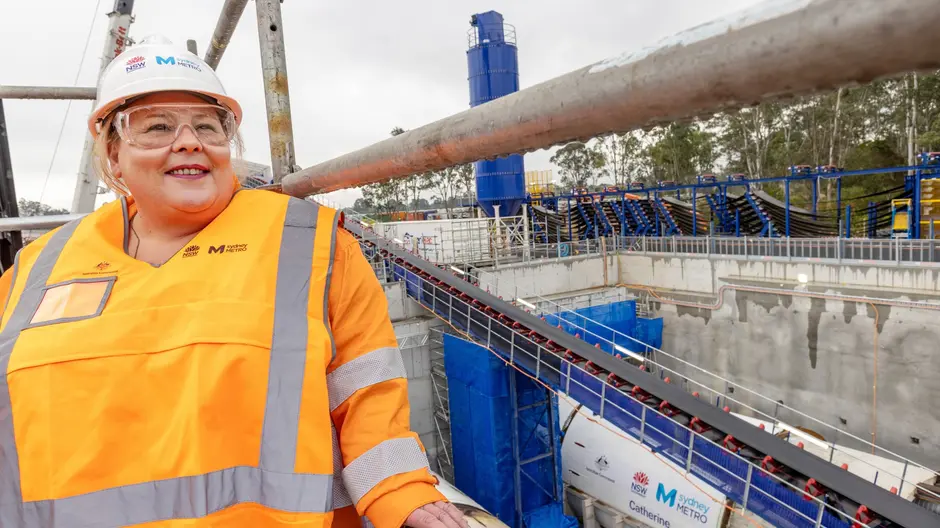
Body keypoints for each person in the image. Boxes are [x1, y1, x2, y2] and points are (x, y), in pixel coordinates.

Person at [0, 36, 468, 528]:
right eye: (157, 127)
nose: (189, 141)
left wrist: (401, 491)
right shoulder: (39, 266)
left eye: (208, 126)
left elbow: (366, 393)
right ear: (113, 157)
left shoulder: (309, 245)